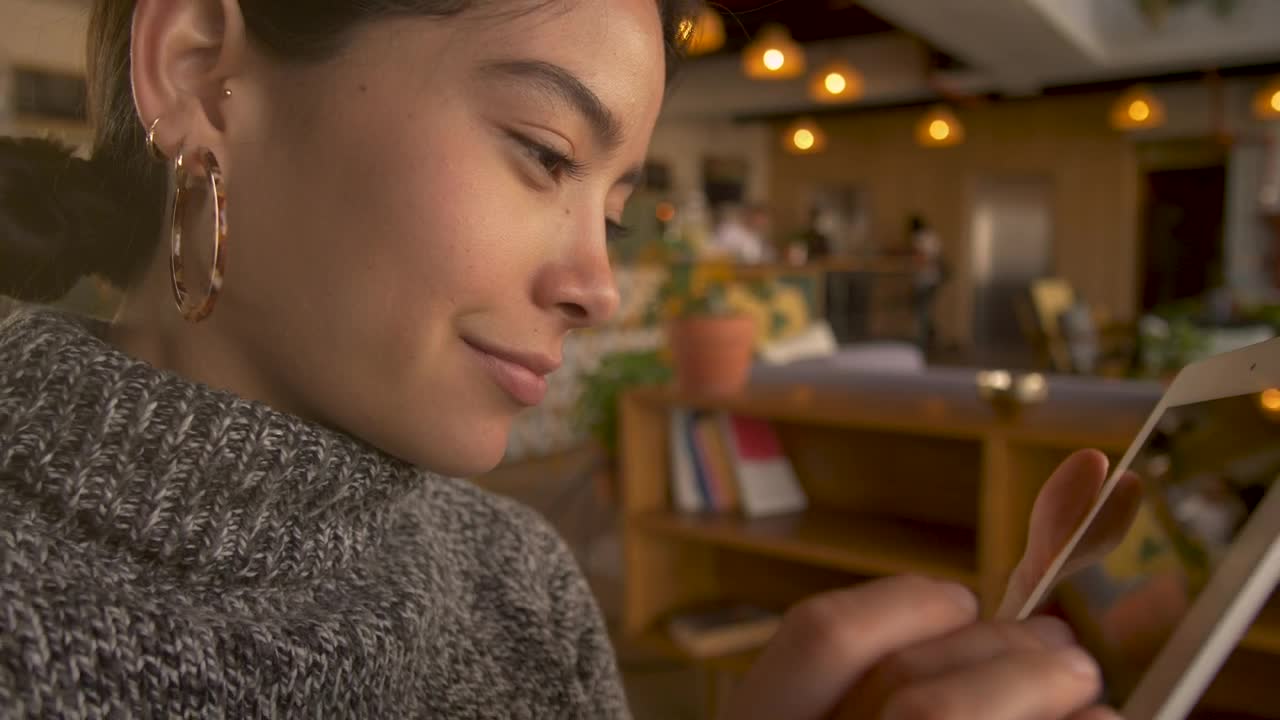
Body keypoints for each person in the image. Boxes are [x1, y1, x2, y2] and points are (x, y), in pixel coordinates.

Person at [0, 1, 1132, 717]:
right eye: (544, 155)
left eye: (617, 211)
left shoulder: (520, 582)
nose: (595, 285)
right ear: (202, 76)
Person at [909, 213, 946, 351]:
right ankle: (929, 339)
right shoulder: (933, 236)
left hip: (924, 279)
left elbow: (922, 258)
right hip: (934, 279)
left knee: (922, 312)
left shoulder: (919, 238)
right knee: (926, 311)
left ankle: (922, 342)